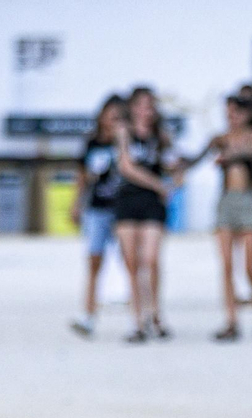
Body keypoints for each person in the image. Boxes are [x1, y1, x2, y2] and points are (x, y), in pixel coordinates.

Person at [182, 94, 252, 341]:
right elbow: (195, 160)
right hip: (226, 203)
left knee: (250, 267)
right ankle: (231, 320)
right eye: (229, 113)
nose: (231, 117)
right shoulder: (220, 138)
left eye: (236, 112)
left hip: (249, 202)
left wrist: (232, 154)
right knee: (227, 266)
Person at [113, 86, 173, 342]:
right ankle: (137, 319)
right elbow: (126, 166)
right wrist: (158, 184)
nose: (146, 111)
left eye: (150, 106)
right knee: (132, 263)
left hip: (152, 203)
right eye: (142, 105)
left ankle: (154, 312)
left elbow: (171, 164)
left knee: (151, 259)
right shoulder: (124, 132)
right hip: (128, 199)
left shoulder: (161, 136)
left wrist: (175, 176)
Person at [69, 95, 125, 338]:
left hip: (123, 208)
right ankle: (89, 313)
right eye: (110, 116)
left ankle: (140, 313)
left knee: (132, 260)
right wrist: (76, 203)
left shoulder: (127, 142)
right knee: (94, 260)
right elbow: (82, 176)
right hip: (97, 207)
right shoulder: (92, 143)